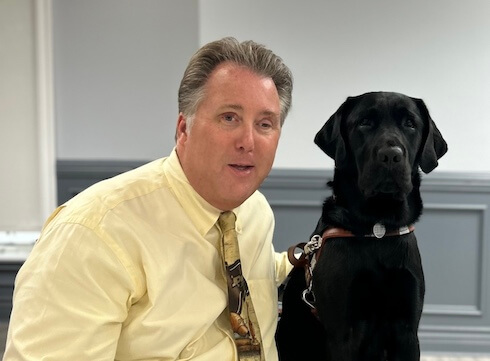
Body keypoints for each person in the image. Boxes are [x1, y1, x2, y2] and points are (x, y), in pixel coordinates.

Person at [4, 37, 294, 360]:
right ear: (184, 128)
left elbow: (261, 270)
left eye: (265, 124)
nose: (248, 141)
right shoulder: (91, 235)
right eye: (229, 118)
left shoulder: (254, 213)